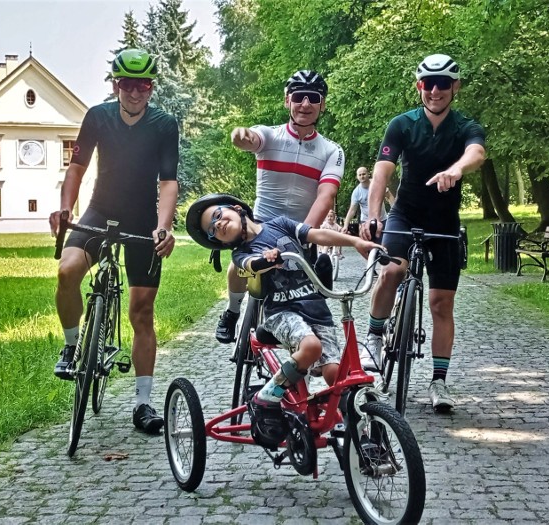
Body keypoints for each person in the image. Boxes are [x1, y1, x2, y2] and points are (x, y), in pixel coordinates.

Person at [48, 48, 178, 434]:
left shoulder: (164, 124)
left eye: (143, 85)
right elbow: (77, 168)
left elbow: (168, 181)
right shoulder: (98, 117)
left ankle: (142, 404)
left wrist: (163, 226)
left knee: (141, 311)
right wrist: (65, 208)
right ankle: (72, 346)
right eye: (127, 84)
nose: (135, 92)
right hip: (99, 211)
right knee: (67, 272)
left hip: (142, 218)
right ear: (115, 84)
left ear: (151, 87)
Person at [185, 193, 382, 447]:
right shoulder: (241, 253)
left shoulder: (279, 224)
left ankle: (360, 436)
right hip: (281, 312)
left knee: (336, 375)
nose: (218, 225)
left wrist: (356, 242)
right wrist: (264, 260)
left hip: (316, 309)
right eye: (212, 231)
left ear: (235, 209)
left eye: (217, 216)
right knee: (311, 347)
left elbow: (315, 235)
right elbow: (250, 265)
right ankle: (267, 396)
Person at [360, 54, 486, 412]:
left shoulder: (465, 126)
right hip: (406, 214)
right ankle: (374, 336)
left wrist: (456, 170)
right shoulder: (402, 124)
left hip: (444, 221)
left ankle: (439, 382)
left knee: (441, 303)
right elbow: (382, 171)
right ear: (419, 86)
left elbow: (476, 152)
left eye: (443, 83)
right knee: (392, 271)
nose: (434, 91)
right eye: (428, 84)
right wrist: (373, 215)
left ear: (455, 87)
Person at [216, 70, 345, 344]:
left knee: (301, 300)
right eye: (299, 97)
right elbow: (251, 138)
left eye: (314, 98)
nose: (306, 104)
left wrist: (303, 235)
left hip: (297, 229)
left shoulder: (331, 150)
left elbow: (326, 194)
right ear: (288, 101)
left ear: (323, 104)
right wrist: (240, 136)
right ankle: (232, 311)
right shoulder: (270, 135)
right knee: (239, 265)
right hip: (261, 223)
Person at [342, 166, 394, 242]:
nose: (362, 176)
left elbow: (389, 197)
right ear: (357, 177)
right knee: (368, 244)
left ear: (368, 174)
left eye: (363, 174)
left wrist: (395, 213)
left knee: (384, 242)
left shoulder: (377, 184)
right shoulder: (356, 192)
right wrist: (345, 226)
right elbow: (352, 210)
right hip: (366, 221)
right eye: (359, 175)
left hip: (382, 219)